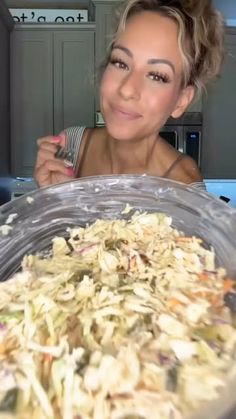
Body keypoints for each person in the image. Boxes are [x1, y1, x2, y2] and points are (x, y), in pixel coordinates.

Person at [34, 0, 224, 188]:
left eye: (157, 76)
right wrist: (55, 196)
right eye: (120, 63)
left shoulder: (185, 186)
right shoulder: (71, 146)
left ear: (181, 101)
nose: (126, 89)